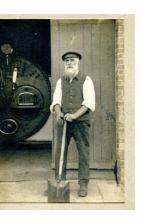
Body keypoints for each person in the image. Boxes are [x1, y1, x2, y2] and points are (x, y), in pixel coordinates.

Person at [49, 51, 95, 197]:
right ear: (64, 64)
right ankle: (59, 182)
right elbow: (56, 100)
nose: (69, 63)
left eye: (72, 60)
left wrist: (74, 115)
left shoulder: (86, 79)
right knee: (59, 152)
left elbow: (89, 103)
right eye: (67, 61)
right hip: (63, 122)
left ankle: (83, 185)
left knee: (83, 153)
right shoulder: (60, 81)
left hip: (80, 123)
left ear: (78, 63)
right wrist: (58, 113)